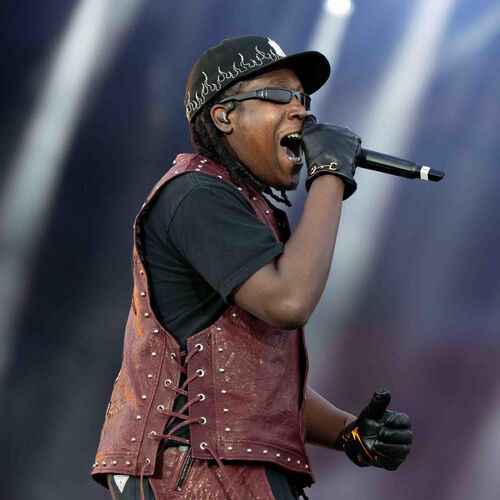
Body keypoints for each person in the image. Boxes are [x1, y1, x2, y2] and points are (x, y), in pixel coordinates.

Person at [91, 35, 412, 499]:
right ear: (225, 116)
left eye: (303, 99)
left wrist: (348, 432)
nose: (302, 112)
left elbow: (246, 383)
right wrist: (330, 175)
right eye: (280, 95)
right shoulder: (195, 194)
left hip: (229, 465)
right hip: (192, 467)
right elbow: (289, 302)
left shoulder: (245, 206)